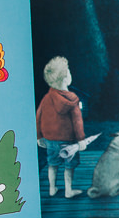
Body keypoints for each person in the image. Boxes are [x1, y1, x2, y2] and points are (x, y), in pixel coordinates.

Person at [36, 56, 85, 198]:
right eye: (68, 72)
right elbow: (77, 121)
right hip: (68, 140)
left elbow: (38, 116)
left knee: (53, 163)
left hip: (51, 139)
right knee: (69, 165)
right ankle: (68, 190)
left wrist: (39, 136)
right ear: (65, 78)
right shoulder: (72, 99)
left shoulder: (46, 98)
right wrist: (81, 140)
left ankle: (52, 188)